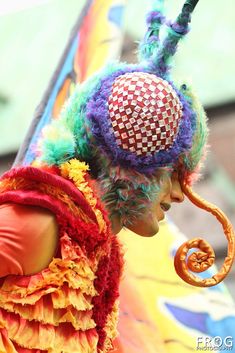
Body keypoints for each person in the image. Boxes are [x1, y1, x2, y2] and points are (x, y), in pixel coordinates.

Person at [0, 0, 234, 352]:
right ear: (130, 166)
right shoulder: (41, 222)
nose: (181, 193)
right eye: (171, 174)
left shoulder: (93, 248)